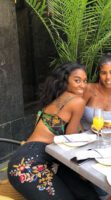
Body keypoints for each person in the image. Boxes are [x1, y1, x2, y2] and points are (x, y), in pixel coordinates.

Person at [7, 63, 99, 200]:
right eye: (77, 80)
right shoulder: (77, 101)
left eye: (85, 81)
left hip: (28, 156)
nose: (83, 85)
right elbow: (70, 140)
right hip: (30, 164)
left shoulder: (54, 98)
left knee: (86, 193)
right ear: (65, 80)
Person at [82, 53, 111, 130]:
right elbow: (75, 117)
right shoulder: (88, 88)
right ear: (99, 74)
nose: (108, 77)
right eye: (104, 73)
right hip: (85, 136)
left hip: (108, 138)